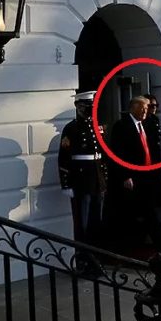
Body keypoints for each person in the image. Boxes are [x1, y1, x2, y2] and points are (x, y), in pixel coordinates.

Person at [109, 96, 161, 256]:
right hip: (132, 177)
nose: (146, 111)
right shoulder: (122, 126)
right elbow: (118, 153)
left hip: (148, 176)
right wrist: (125, 176)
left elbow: (153, 151)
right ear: (133, 108)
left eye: (147, 108)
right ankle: (154, 247)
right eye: (142, 108)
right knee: (135, 214)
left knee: (148, 212)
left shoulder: (147, 125)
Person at [58, 91, 108, 246]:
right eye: (87, 106)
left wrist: (105, 176)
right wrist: (66, 183)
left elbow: (103, 153)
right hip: (82, 178)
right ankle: (83, 255)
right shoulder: (71, 128)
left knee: (96, 219)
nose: (90, 110)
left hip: (97, 177)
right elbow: (64, 157)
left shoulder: (97, 127)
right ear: (78, 107)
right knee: (83, 220)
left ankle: (95, 253)